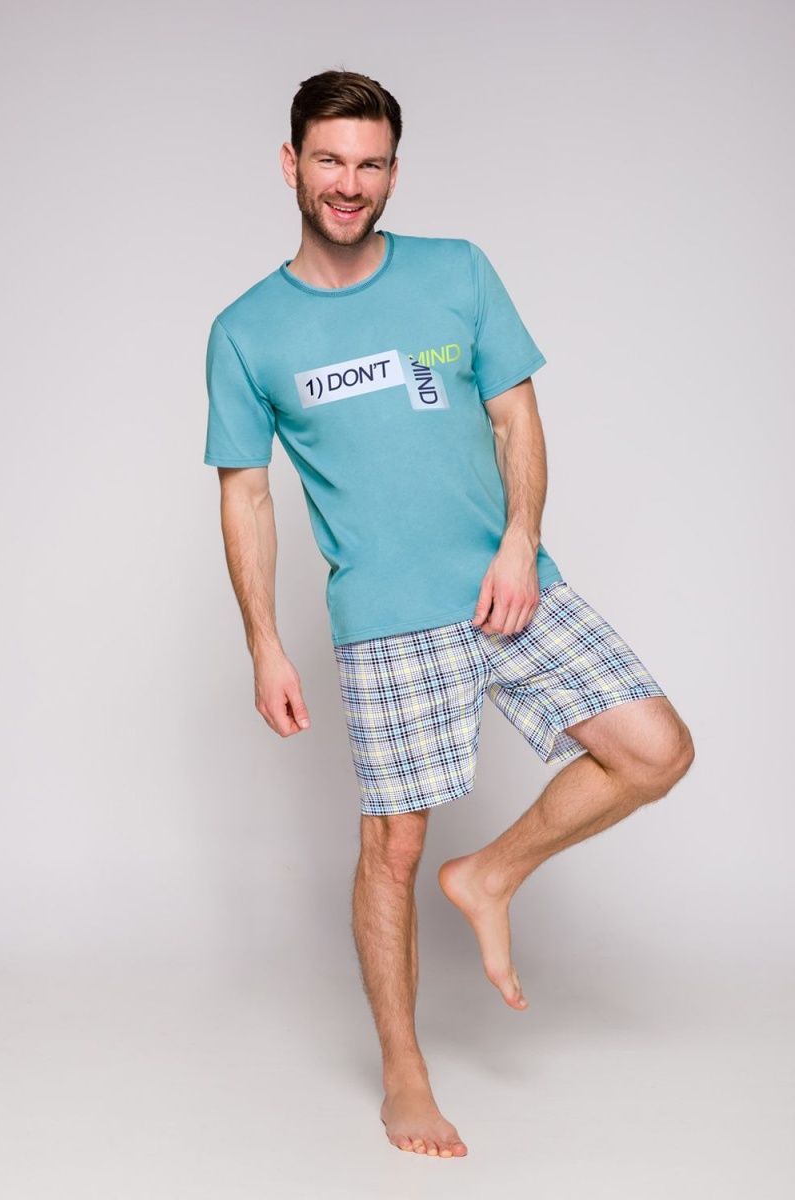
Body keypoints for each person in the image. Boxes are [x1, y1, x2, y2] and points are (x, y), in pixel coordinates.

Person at [202, 68, 695, 1159]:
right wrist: (263, 643)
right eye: (329, 160)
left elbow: (516, 418)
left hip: (508, 587)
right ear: (290, 165)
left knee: (655, 749)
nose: (349, 183)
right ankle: (404, 1073)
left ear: (391, 172)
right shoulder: (245, 330)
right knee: (392, 848)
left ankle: (493, 873)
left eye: (370, 163)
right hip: (383, 618)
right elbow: (245, 495)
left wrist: (521, 540)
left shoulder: (457, 270)